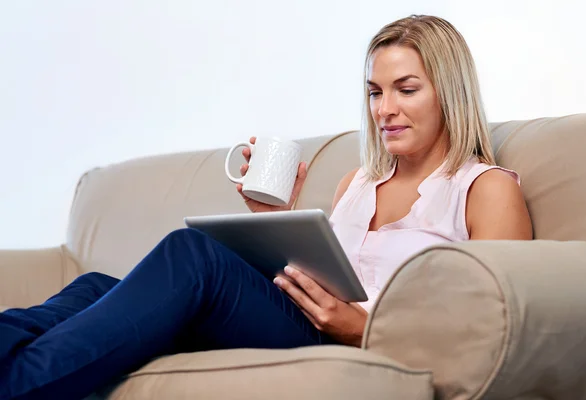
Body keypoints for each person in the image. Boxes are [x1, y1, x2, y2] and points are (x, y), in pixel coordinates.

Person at [0, 14, 532, 400]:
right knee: (95, 286)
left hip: (352, 340)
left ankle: (20, 387)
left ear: (450, 93)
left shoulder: (484, 188)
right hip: (301, 318)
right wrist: (270, 227)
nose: (384, 110)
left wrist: (362, 328)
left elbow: (496, 327)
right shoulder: (358, 182)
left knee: (192, 255)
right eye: (374, 92)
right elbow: (328, 273)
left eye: (406, 89)